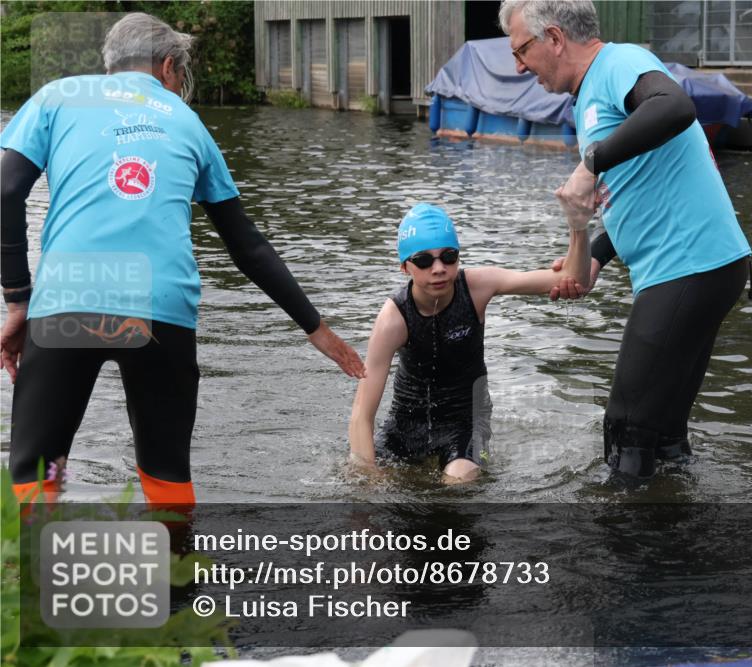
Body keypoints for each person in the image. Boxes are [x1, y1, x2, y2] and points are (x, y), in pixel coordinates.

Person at [0, 13, 365, 505]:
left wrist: (18, 299)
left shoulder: (59, 97)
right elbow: (247, 245)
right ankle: (175, 554)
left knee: (34, 476)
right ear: (168, 66)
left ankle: (32, 551)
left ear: (110, 64)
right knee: (166, 477)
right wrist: (315, 327)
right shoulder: (187, 121)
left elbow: (6, 192)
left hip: (68, 298)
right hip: (161, 309)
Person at [499, 0, 752, 479]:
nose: (518, 66)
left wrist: (590, 163)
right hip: (701, 267)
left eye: (521, 50)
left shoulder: (619, 63)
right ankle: (677, 518)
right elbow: (638, 187)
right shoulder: (590, 94)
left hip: (689, 266)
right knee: (661, 430)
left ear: (554, 38)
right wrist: (596, 254)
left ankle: (620, 526)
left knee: (626, 426)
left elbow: (674, 106)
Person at [349, 201, 590, 482]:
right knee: (360, 476)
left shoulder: (477, 287)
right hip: (405, 425)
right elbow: (361, 415)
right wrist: (369, 478)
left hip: (466, 421)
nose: (439, 268)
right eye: (424, 261)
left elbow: (572, 278)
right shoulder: (393, 319)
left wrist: (578, 225)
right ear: (405, 267)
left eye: (448, 257)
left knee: (459, 481)